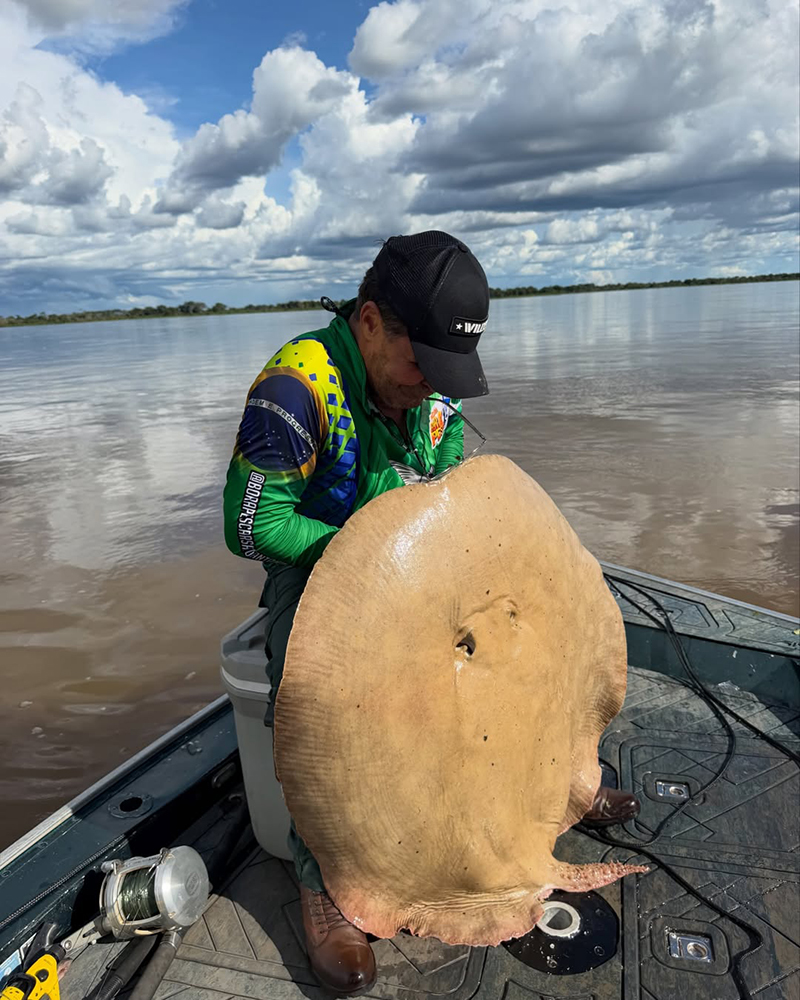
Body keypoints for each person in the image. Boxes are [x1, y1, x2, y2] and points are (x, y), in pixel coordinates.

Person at [222, 230, 639, 996]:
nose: (430, 386)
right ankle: (331, 886)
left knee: (522, 635)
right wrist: (366, 559)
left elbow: (455, 489)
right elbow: (251, 526)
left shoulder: (433, 386)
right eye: (421, 362)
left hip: (439, 564)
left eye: (448, 370)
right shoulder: (296, 389)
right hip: (324, 570)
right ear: (371, 321)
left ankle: (560, 785)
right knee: (315, 687)